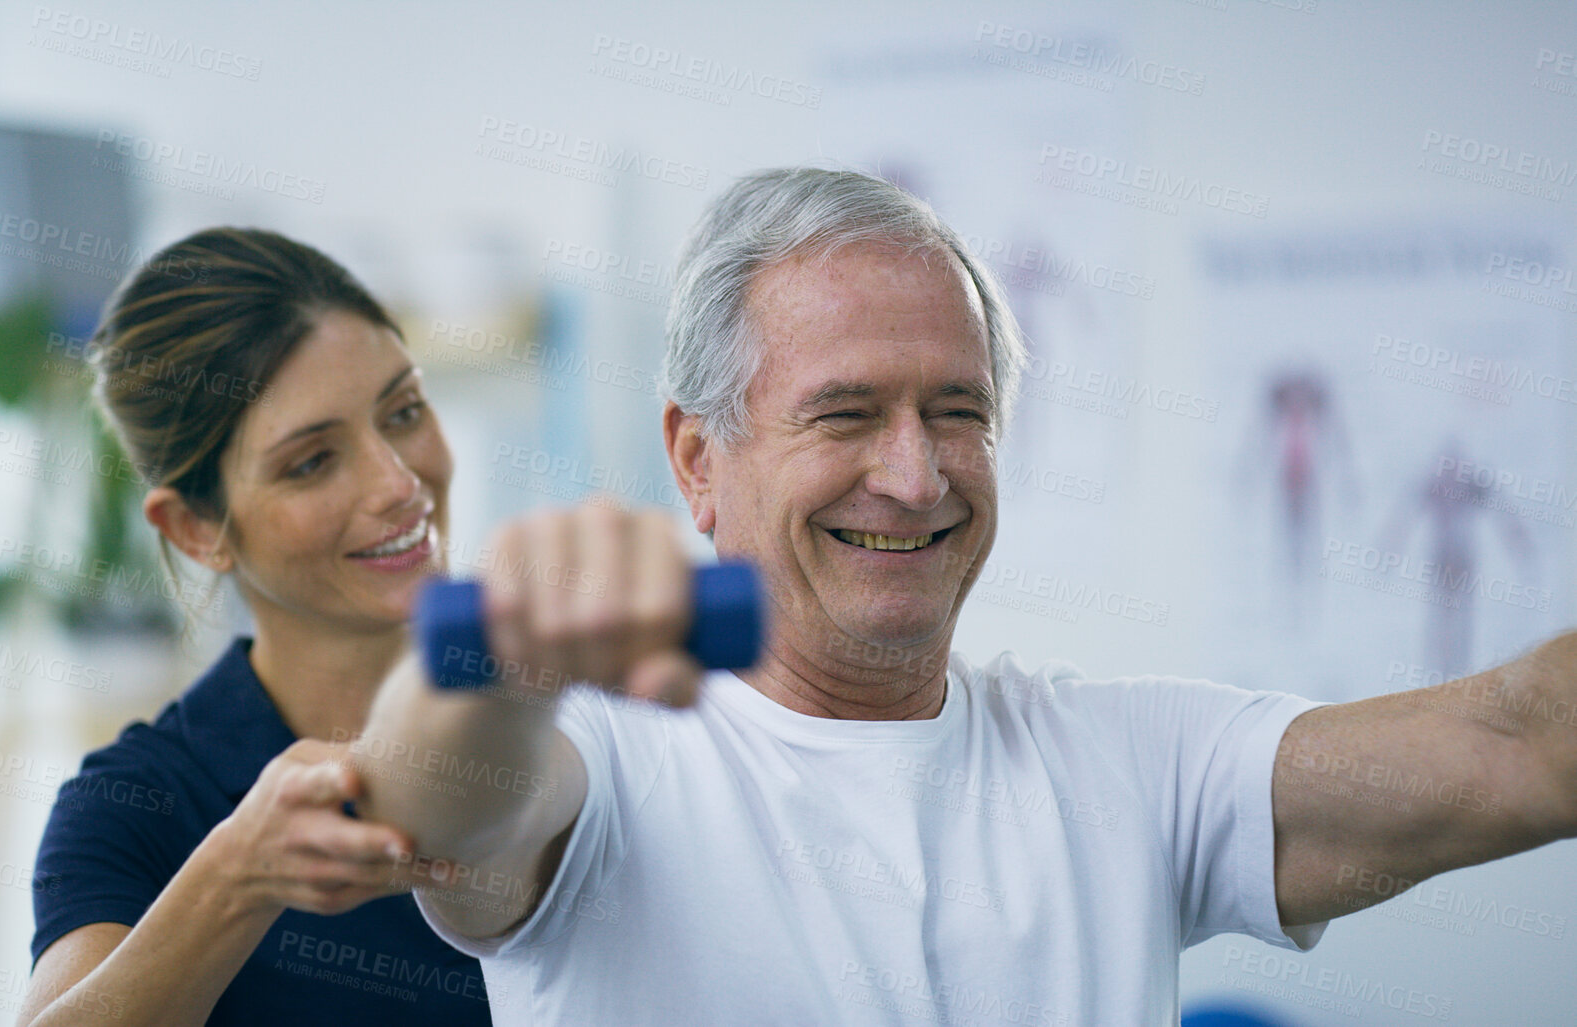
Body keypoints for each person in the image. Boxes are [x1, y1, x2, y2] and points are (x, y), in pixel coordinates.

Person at [344, 168, 1577, 1024]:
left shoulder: (1128, 766)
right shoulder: (600, 767)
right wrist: (499, 662)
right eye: (845, 413)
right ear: (696, 459)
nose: (915, 473)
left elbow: (1523, 746)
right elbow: (426, 812)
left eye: (958, 412)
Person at [16, 228, 491, 1026]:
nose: (398, 481)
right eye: (311, 461)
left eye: (403, 411)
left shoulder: (559, 703)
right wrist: (240, 876)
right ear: (198, 528)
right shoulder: (139, 806)